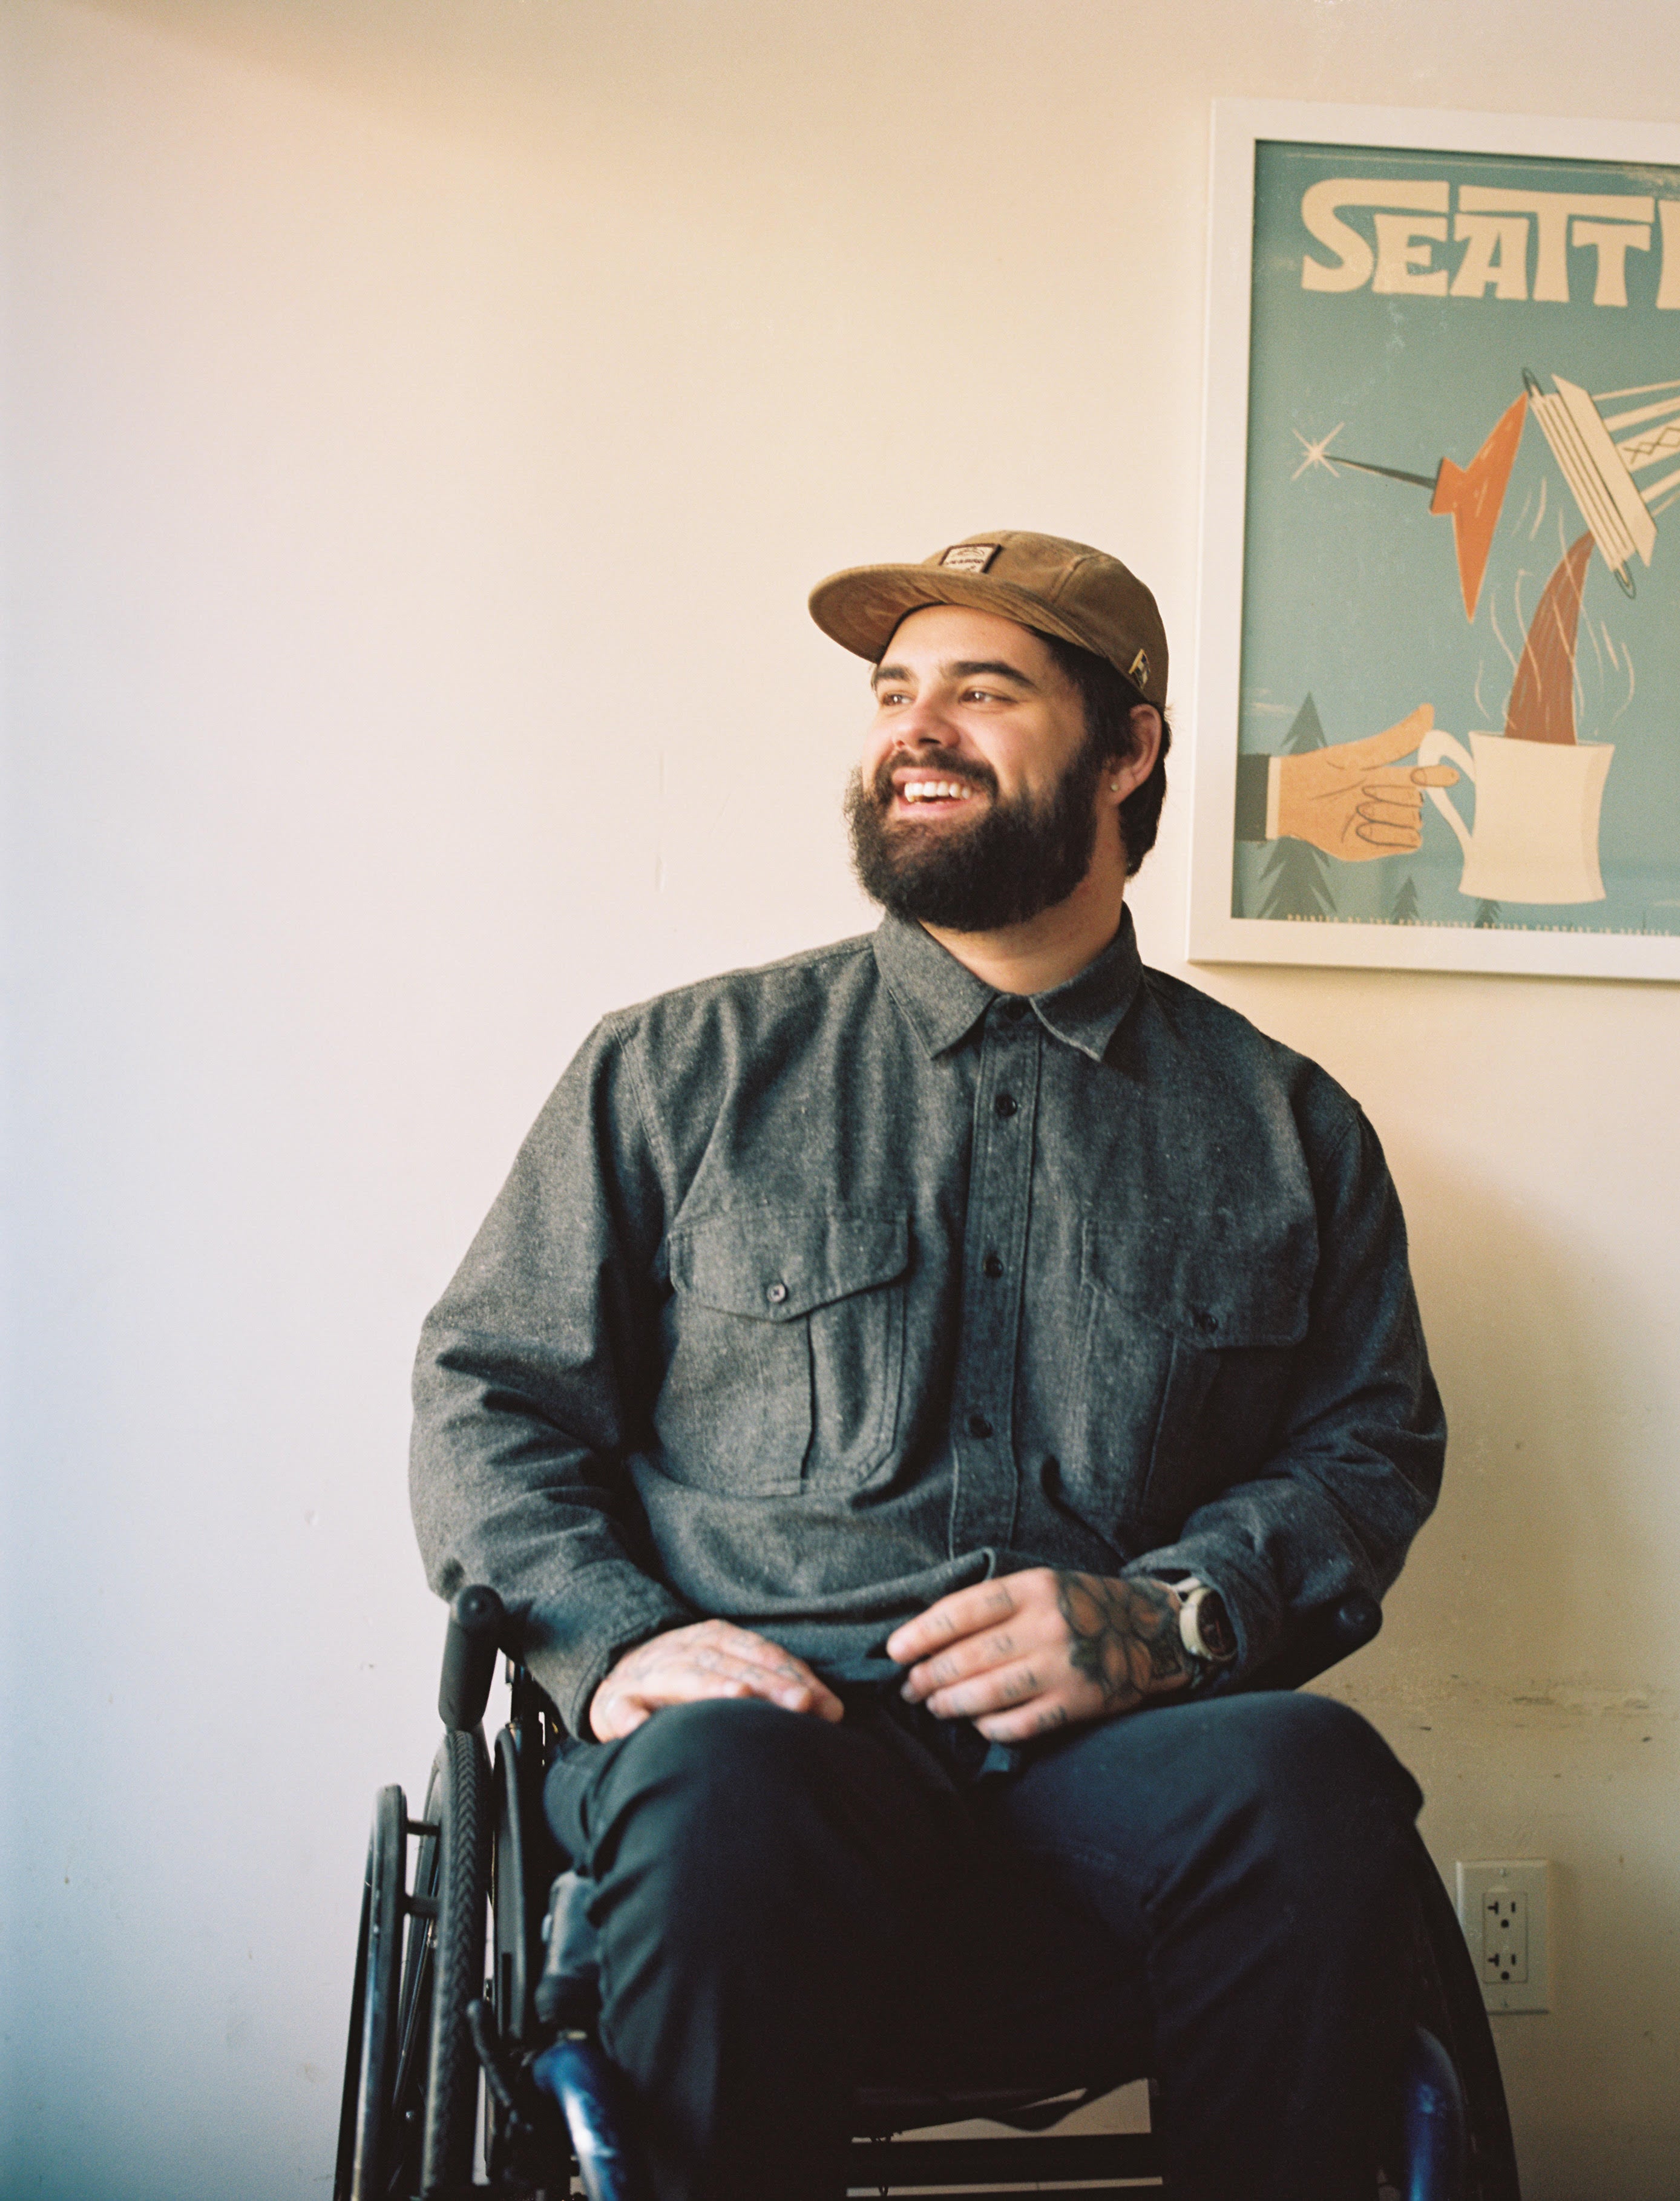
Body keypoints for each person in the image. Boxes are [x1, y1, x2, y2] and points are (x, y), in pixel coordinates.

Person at [411, 530, 1449, 2200]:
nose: (917, 727)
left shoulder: (1284, 1126)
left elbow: (1367, 1450)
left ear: (1127, 749)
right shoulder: (678, 1073)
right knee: (720, 1785)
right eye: (896, 692)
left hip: (1114, 1783)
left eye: (984, 689)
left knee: (1313, 1782)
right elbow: (492, 1398)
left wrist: (1171, 1617)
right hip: (772, 1757)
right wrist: (618, 1650)